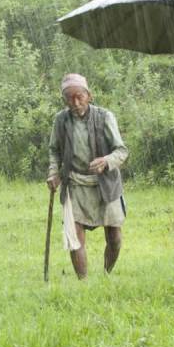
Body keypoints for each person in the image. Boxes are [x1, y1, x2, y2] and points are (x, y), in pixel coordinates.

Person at [47, 73, 129, 279]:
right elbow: (54, 151)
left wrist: (107, 161)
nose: (75, 103)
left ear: (89, 95)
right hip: (75, 183)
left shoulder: (105, 116)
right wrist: (53, 173)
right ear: (64, 100)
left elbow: (122, 151)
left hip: (106, 185)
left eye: (79, 97)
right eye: (69, 98)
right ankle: (83, 283)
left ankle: (106, 275)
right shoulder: (60, 120)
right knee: (75, 238)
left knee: (115, 238)